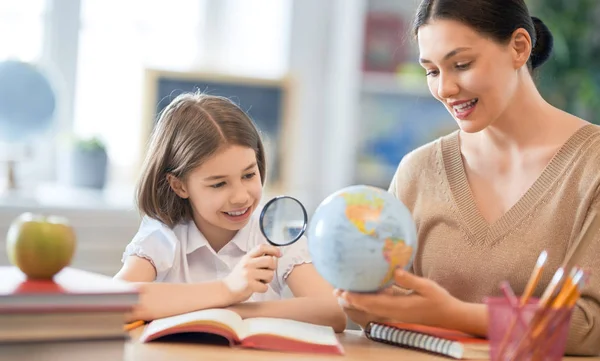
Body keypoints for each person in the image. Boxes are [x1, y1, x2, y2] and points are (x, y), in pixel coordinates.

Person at [335, 0, 600, 355]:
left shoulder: (591, 166)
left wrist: (452, 314)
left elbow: (588, 327)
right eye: (431, 71)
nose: (445, 89)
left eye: (461, 64)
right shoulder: (417, 171)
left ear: (519, 47)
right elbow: (387, 310)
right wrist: (369, 304)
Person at [115, 92, 346, 332]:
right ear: (179, 185)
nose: (241, 197)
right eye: (218, 184)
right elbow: (115, 303)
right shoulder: (162, 233)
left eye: (249, 175)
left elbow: (332, 311)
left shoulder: (273, 232)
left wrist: (232, 312)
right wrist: (227, 288)